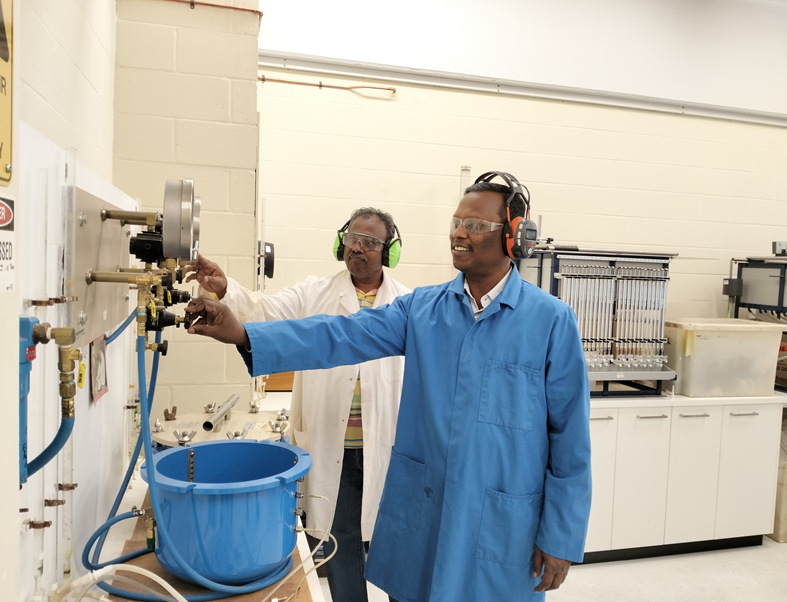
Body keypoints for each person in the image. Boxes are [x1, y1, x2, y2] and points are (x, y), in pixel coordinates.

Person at [185, 173, 592, 602]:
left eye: (475, 226)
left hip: (502, 520)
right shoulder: (422, 309)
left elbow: (570, 441)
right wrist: (246, 334)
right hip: (427, 507)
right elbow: (338, 335)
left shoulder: (550, 321)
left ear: (512, 237)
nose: (458, 233)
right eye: (456, 222)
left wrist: (561, 535)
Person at [185, 207, 411, 602]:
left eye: (371, 242)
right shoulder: (314, 292)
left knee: (398, 542)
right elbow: (265, 311)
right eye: (352, 237)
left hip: (388, 448)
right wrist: (225, 289)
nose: (357, 247)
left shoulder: (408, 303)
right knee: (341, 543)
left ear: (388, 252)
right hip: (333, 445)